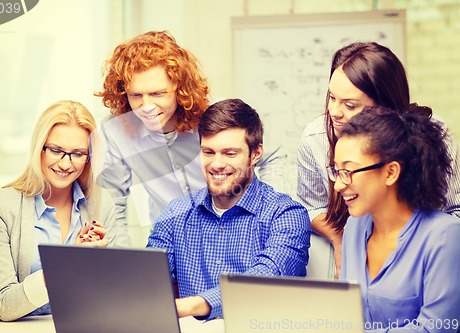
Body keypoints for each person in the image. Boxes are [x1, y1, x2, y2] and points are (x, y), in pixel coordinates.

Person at [95, 30, 286, 246]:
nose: (146, 106)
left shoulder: (217, 112)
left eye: (158, 94)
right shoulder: (115, 130)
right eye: (135, 95)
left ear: (180, 89)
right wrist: (124, 263)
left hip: (234, 231)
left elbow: (274, 156)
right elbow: (113, 202)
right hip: (171, 240)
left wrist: (267, 215)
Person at [296, 41, 460, 277]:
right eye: (332, 97)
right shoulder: (316, 137)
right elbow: (311, 206)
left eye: (350, 105)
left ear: (385, 107)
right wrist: (343, 241)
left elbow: (454, 209)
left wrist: (413, 254)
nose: (334, 112)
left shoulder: (433, 135)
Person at [146, 98, 311, 320]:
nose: (216, 164)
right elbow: (149, 279)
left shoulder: (286, 215)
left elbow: (265, 280)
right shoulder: (176, 213)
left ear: (255, 154)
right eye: (208, 152)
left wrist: (194, 306)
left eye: (230, 153)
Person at [0, 100, 116, 327]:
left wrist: (97, 263)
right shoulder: (0, 206)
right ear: (39, 148)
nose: (66, 163)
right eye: (56, 150)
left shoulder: (101, 205)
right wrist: (68, 263)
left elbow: (107, 297)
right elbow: (5, 306)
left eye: (78, 153)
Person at [332, 105, 460, 332]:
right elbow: (346, 315)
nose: (339, 184)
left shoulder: (445, 236)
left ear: (390, 172)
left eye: (348, 171)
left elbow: (436, 328)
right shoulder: (355, 226)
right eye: (336, 170)